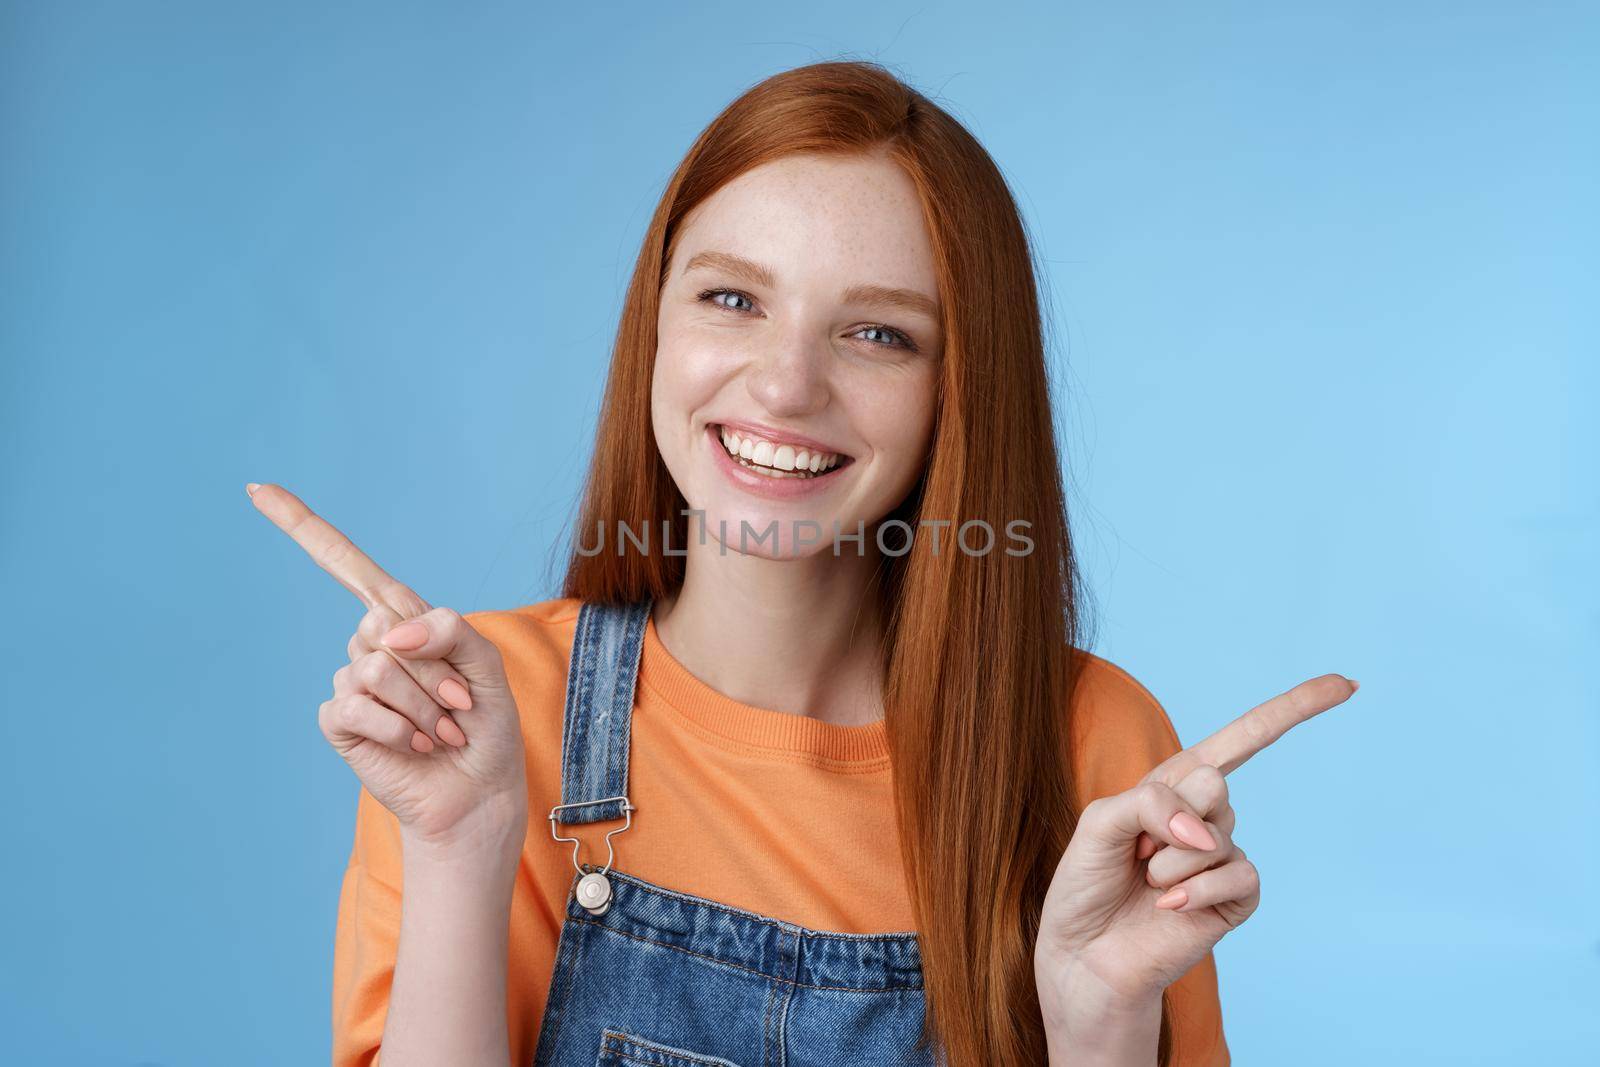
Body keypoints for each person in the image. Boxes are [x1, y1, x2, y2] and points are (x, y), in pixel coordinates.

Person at [249, 60, 1355, 1067]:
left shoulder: (1094, 747)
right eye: (732, 298)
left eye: (877, 333)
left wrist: (1100, 1020)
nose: (783, 386)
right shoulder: (486, 719)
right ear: (656, 321)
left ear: (958, 393)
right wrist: (461, 846)